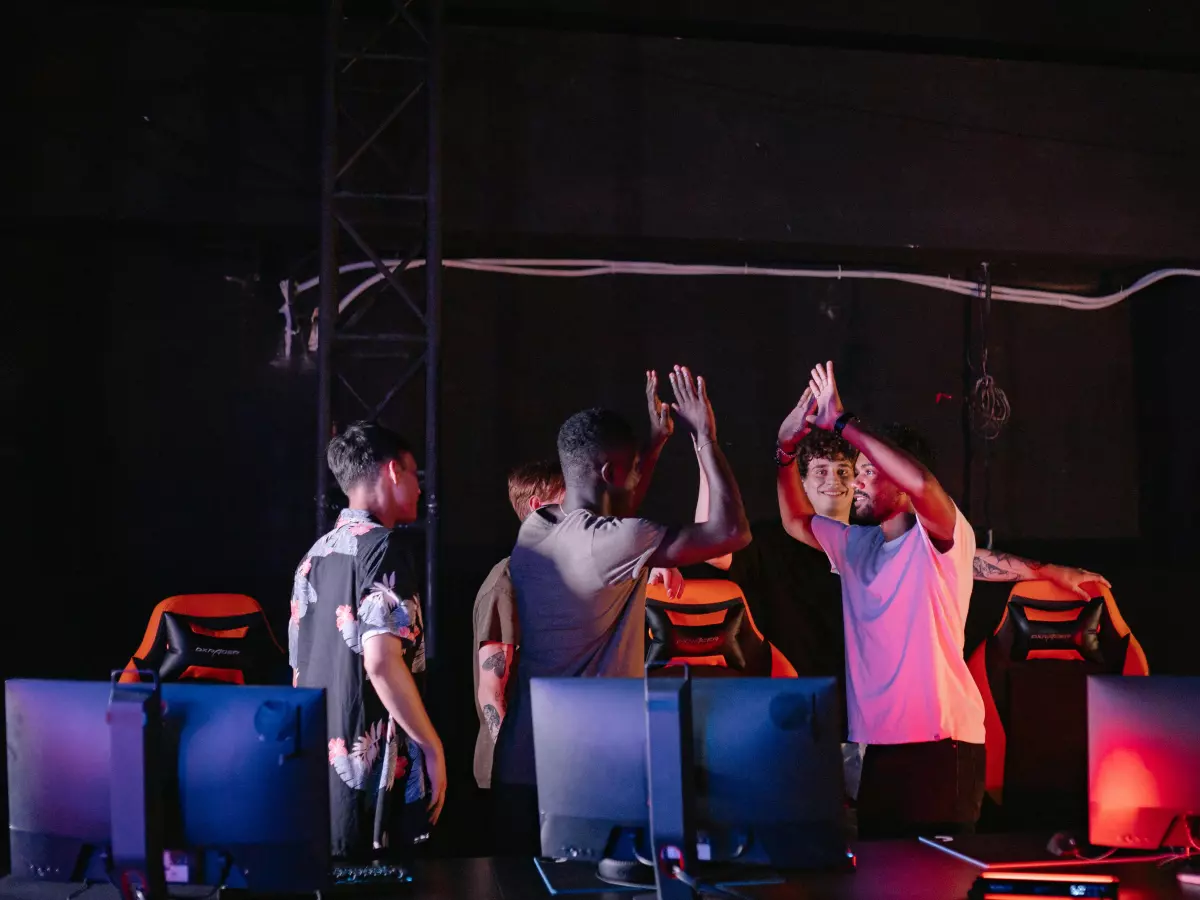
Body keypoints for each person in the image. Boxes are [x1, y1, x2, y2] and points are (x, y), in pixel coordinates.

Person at [491, 366, 752, 853]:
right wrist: (704, 438)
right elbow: (732, 533)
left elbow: (615, 522)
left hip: (523, 764)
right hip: (586, 770)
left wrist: (650, 447)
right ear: (612, 472)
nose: (637, 477)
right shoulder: (614, 541)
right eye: (631, 467)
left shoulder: (537, 528)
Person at [775, 362, 981, 838]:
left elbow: (924, 486)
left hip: (942, 745)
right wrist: (786, 449)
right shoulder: (857, 547)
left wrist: (843, 423)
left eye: (869, 471)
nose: (858, 482)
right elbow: (794, 521)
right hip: (880, 749)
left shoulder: (941, 540)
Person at [472, 458, 683, 795]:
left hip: (574, 760)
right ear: (537, 508)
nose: (583, 514)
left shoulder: (574, 567)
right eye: (568, 502)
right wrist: (514, 767)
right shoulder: (507, 579)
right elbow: (492, 687)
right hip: (530, 771)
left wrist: (649, 563)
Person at [288, 421, 447, 861]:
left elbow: (298, 673)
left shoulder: (313, 556)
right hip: (377, 777)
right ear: (394, 471)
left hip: (321, 779)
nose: (420, 489)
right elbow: (381, 663)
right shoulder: (385, 548)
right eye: (416, 474)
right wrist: (432, 746)